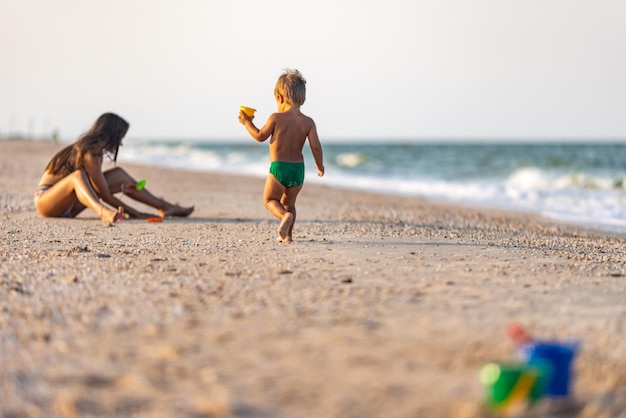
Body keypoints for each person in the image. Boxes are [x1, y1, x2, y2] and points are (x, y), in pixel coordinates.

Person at [34, 112, 194, 223]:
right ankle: (102, 212)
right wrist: (135, 213)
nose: (121, 143)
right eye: (121, 137)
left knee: (119, 175)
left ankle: (164, 207)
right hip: (48, 203)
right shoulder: (88, 152)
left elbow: (101, 188)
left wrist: (122, 187)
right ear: (112, 134)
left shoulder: (97, 153)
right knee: (77, 176)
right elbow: (105, 195)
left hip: (71, 206)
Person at [239, 69, 324, 242]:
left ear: (280, 98)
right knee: (290, 203)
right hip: (298, 171)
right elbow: (315, 146)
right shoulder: (308, 122)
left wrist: (247, 122)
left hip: (279, 168)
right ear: (303, 99)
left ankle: (284, 217)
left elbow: (260, 136)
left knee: (270, 200)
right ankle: (288, 236)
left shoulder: (276, 117)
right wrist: (320, 165)